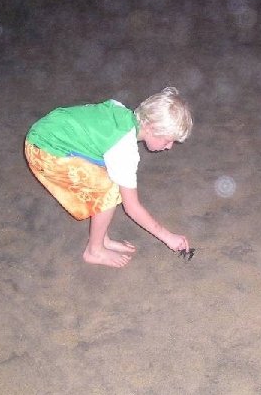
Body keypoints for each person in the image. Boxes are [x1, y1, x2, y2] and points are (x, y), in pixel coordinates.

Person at [24, 87, 193, 268]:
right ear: (151, 128)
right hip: (43, 149)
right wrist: (168, 237)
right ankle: (94, 250)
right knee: (107, 190)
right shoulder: (124, 150)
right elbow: (132, 208)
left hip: (49, 131)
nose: (169, 147)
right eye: (168, 140)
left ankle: (102, 238)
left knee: (110, 179)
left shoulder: (121, 111)